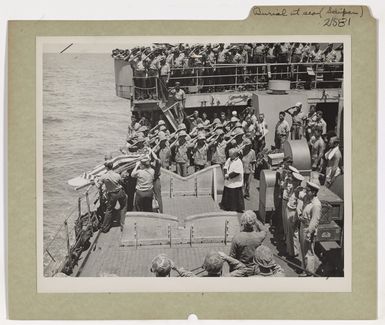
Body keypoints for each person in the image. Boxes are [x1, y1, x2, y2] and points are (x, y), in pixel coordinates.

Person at [229, 210, 267, 274]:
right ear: (254, 223)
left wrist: (232, 271)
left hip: (241, 268)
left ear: (243, 222)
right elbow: (264, 230)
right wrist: (255, 220)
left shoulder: (237, 238)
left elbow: (232, 257)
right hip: (255, 269)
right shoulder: (259, 236)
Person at [95, 161, 127, 233]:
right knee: (123, 207)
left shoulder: (104, 176)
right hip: (120, 192)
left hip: (112, 194)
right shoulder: (117, 175)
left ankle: (105, 228)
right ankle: (123, 225)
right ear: (112, 166)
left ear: (106, 168)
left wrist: (95, 181)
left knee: (109, 210)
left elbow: (98, 186)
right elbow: (121, 182)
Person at [298, 181, 322, 276]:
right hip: (303, 225)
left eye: (307, 190)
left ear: (313, 192)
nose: (305, 192)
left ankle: (309, 272)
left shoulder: (316, 205)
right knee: (304, 250)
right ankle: (305, 269)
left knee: (308, 252)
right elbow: (298, 195)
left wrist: (309, 233)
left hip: (308, 228)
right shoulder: (308, 198)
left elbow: (314, 221)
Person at [172, 251, 247, 277]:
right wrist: (227, 257)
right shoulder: (227, 278)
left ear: (205, 267)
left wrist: (176, 268)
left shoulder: (198, 281)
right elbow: (243, 269)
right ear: (221, 268)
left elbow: (187, 274)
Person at [285, 172, 305, 257]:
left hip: (293, 213)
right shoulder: (294, 189)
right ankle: (290, 250)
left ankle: (294, 251)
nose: (292, 181)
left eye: (294, 180)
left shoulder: (299, 192)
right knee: (290, 232)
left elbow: (299, 206)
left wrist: (295, 218)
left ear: (297, 182)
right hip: (289, 210)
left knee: (294, 233)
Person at [221, 148, 244, 212]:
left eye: (230, 155)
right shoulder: (229, 159)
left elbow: (237, 172)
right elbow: (225, 166)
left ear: (235, 155)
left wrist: (228, 176)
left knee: (234, 196)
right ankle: (227, 207)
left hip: (235, 182)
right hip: (228, 181)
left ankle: (235, 208)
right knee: (228, 194)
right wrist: (225, 174)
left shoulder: (239, 162)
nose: (229, 156)